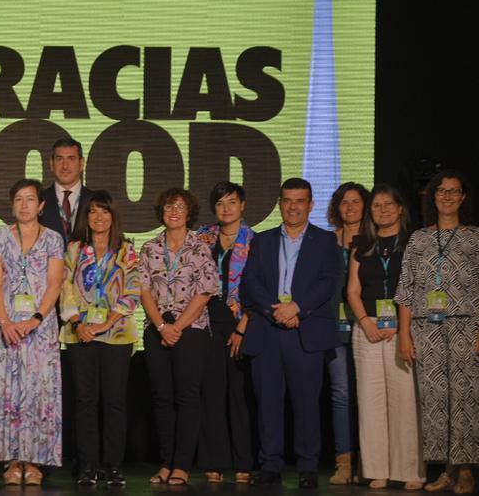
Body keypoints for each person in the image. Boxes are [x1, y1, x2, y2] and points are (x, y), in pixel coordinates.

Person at [396, 170, 479, 494]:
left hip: (468, 325)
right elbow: (406, 291)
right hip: (427, 329)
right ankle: (446, 469)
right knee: (437, 401)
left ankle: (466, 470)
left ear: (463, 197)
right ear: (432, 196)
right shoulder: (419, 238)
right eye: (442, 190)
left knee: (467, 400)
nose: (448, 196)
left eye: (454, 191)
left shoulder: (477, 236)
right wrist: (404, 334)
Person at [241, 177, 341, 488]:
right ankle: (270, 465)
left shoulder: (326, 242)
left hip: (304, 331)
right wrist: (277, 311)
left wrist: (297, 308)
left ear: (311, 205)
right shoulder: (264, 240)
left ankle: (307, 467)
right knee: (268, 403)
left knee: (306, 404)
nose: (293, 206)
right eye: (288, 200)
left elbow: (329, 282)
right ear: (280, 204)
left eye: (300, 201)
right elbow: (250, 284)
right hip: (268, 332)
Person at [0, 179, 65, 486]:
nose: (24, 204)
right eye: (19, 199)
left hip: (40, 328)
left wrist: (37, 318)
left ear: (41, 205)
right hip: (7, 325)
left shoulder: (54, 239)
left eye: (30, 199)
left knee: (39, 392)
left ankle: (36, 460)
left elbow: (55, 283)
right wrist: (4, 322)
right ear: (12, 205)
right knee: (7, 393)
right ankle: (13, 460)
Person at [346, 184, 425, 490]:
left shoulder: (414, 242)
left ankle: (410, 471)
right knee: (370, 401)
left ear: (401, 208)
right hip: (367, 327)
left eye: (388, 205)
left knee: (405, 401)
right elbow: (352, 289)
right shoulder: (361, 243)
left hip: (403, 327)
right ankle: (377, 468)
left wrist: (401, 327)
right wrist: (364, 320)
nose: (382, 210)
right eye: (377, 206)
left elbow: (419, 287)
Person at [138, 187, 218, 487]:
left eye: (180, 207)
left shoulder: (200, 247)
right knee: (161, 398)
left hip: (191, 329)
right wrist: (161, 326)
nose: (174, 212)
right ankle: (166, 461)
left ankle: (183, 464)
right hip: (157, 327)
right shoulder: (149, 248)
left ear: (189, 214)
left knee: (186, 397)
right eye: (169, 206)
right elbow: (143, 289)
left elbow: (206, 291)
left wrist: (177, 327)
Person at [59, 190, 139, 487]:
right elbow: (64, 289)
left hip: (117, 335)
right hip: (80, 333)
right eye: (93, 211)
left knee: (115, 401)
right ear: (86, 216)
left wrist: (105, 323)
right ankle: (87, 466)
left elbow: (132, 291)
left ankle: (113, 466)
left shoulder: (126, 249)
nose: (99, 217)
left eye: (104, 211)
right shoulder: (75, 249)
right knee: (85, 401)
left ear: (113, 216)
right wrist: (79, 322)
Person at [196, 181, 257, 484]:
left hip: (240, 324)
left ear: (242, 205)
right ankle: (214, 461)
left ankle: (244, 462)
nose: (226, 209)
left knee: (238, 396)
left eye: (232, 202)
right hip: (207, 322)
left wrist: (243, 327)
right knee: (211, 394)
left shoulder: (256, 240)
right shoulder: (203, 237)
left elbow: (261, 288)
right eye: (220, 203)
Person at [326, 181, 370, 484]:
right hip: (334, 326)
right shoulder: (326, 242)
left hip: (369, 324)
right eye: (344, 202)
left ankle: (370, 461)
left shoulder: (375, 240)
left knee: (367, 394)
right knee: (341, 393)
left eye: (356, 202)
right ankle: (344, 461)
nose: (350, 207)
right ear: (336, 208)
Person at [38, 138, 92, 248]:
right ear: (51, 163)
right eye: (59, 159)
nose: (65, 166)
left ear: (82, 163)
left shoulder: (96, 200)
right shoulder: (38, 200)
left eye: (71, 159)